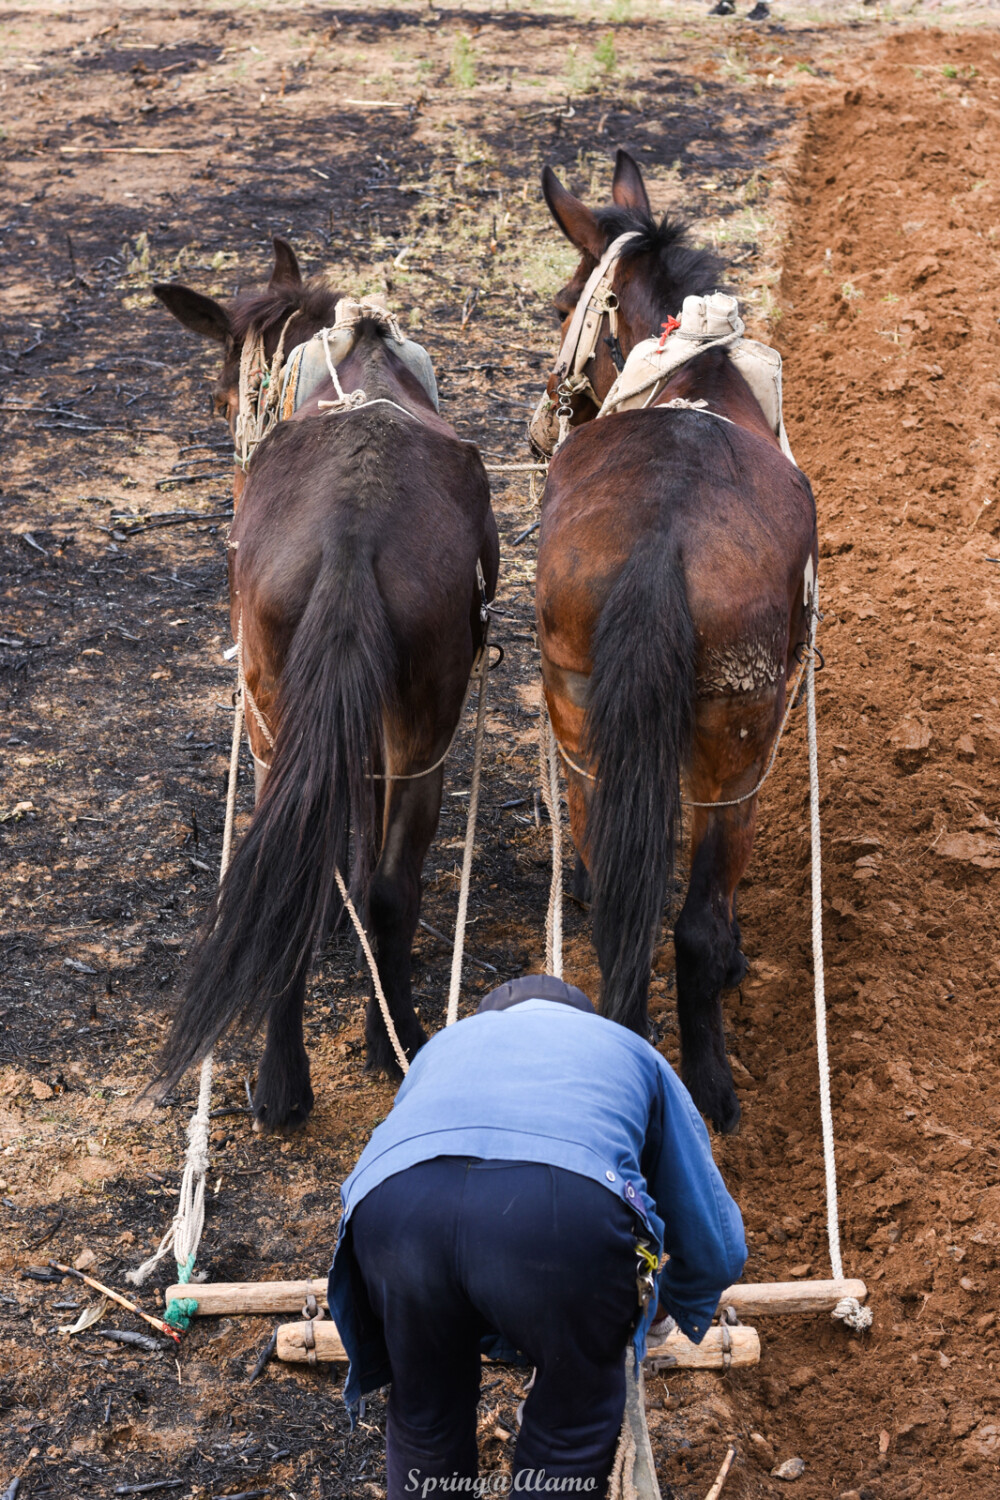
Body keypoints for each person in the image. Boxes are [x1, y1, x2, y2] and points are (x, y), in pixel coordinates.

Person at [328, 975, 746, 1497]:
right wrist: (667, 1303)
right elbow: (715, 1239)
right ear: (586, 1019)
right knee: (569, 1434)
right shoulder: (627, 1048)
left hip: (394, 1211)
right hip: (558, 1212)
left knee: (424, 1420)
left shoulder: (445, 1045)